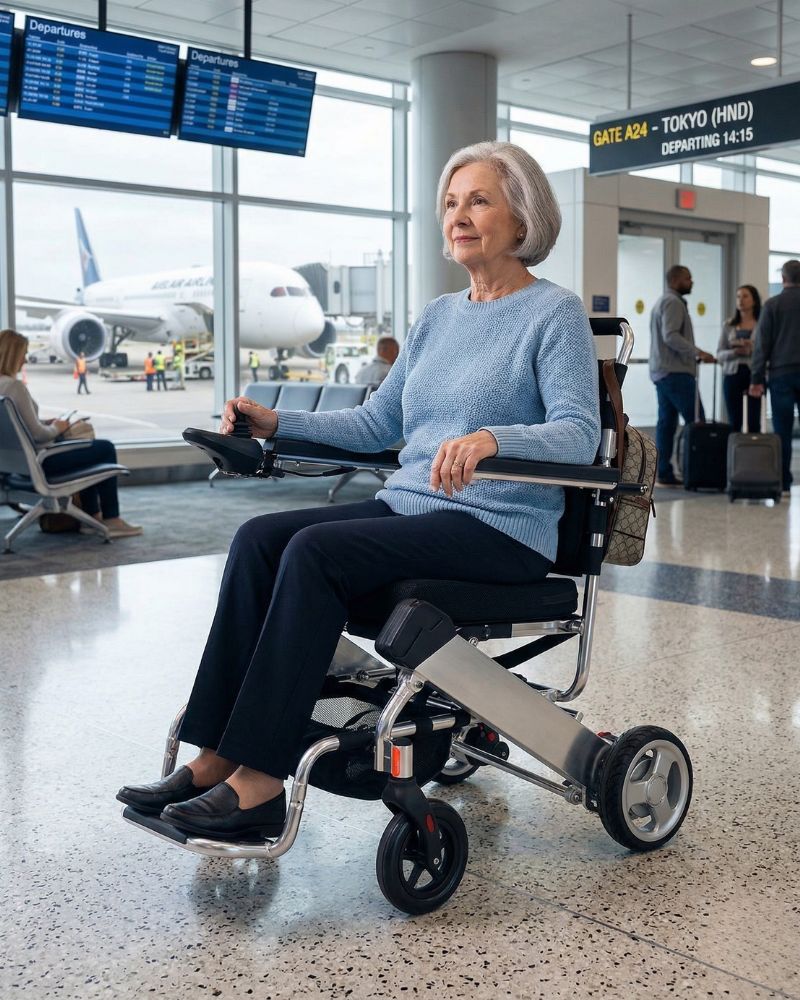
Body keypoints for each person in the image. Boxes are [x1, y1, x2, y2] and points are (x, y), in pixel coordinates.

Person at [117, 141, 601, 840]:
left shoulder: (553, 315)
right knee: (259, 539)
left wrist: (494, 439)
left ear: (522, 217)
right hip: (416, 511)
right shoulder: (438, 316)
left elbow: (577, 433)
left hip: (502, 527)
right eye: (450, 202)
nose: (458, 216)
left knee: (313, 551)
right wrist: (279, 423)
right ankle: (216, 753)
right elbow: (379, 421)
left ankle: (258, 787)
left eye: (479, 200)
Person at [0, 329, 142, 538]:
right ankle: (111, 519)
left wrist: (45, 423)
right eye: (24, 353)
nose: (25, 360)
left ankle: (92, 517)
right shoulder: (14, 387)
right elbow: (39, 435)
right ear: (13, 355)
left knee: (88, 452)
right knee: (104, 448)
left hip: (14, 469)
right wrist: (60, 427)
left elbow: (18, 427)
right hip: (42, 463)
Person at [649, 265, 716, 485]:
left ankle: (665, 472)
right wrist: (698, 352)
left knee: (666, 423)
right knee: (697, 422)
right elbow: (671, 336)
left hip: (663, 372)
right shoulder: (672, 302)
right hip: (676, 372)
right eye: (688, 278)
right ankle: (698, 472)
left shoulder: (663, 301)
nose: (692, 281)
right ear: (676, 280)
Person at [749, 258, 800, 494]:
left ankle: (785, 483)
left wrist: (756, 379)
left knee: (782, 431)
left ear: (783, 279)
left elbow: (762, 345)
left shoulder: (772, 305)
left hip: (781, 375)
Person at [717, 285, 762, 433]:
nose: (741, 300)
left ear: (754, 300)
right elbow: (720, 354)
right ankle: (734, 453)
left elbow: (767, 350)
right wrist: (735, 352)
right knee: (734, 420)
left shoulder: (762, 324)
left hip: (754, 374)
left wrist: (751, 348)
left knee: (754, 420)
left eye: (745, 296)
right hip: (732, 374)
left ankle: (753, 453)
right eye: (738, 296)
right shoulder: (728, 325)